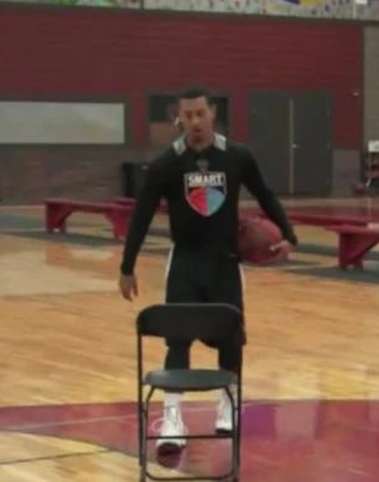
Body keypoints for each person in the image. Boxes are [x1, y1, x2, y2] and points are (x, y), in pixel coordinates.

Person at [119, 88, 297, 454]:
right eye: (188, 115)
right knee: (177, 339)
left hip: (225, 262)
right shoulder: (167, 164)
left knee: (231, 338)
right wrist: (127, 266)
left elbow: (265, 195)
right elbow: (141, 215)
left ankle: (227, 405)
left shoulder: (237, 156)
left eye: (201, 114)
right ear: (179, 118)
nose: (195, 122)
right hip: (185, 261)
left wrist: (289, 235)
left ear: (212, 113)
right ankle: (172, 419)